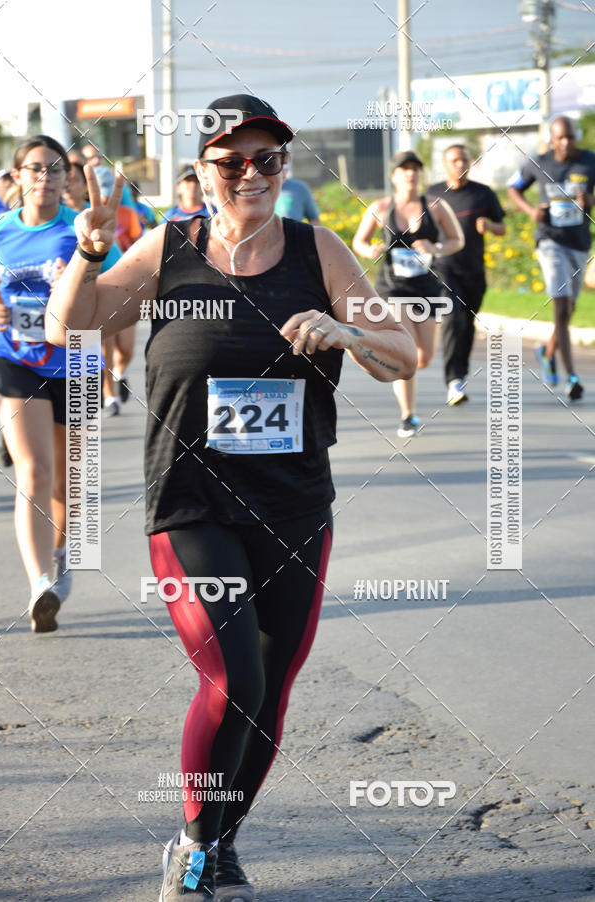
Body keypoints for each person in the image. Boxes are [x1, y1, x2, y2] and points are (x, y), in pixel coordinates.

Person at [47, 92, 417, 900]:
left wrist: (349, 331)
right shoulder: (169, 248)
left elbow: (403, 352)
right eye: (232, 160)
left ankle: (217, 837)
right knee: (233, 680)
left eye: (269, 159)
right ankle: (192, 845)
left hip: (292, 508)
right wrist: (87, 248)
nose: (252, 174)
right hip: (191, 505)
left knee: (273, 683)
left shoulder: (317, 252)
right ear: (203, 172)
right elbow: (67, 326)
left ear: (284, 167)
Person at [0, 134, 120, 632]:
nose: (44, 177)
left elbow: (116, 292)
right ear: (19, 176)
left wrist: (92, 268)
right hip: (16, 360)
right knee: (33, 473)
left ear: (68, 178)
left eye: (54, 169)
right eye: (34, 168)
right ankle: (39, 584)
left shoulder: (83, 228)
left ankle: (66, 551)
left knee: (70, 483)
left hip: (77, 363)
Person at [353, 150, 464, 437]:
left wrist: (436, 248)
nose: (411, 174)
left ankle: (393, 362)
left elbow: (456, 240)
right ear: (394, 176)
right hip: (392, 290)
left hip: (426, 290)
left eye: (415, 169)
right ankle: (408, 415)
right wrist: (371, 250)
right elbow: (359, 242)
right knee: (408, 355)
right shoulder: (380, 207)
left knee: (423, 357)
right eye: (404, 169)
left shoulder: (436, 206)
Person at [508, 116, 595, 400]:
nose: (567, 142)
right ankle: (572, 377)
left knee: (568, 310)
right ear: (552, 139)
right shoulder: (539, 162)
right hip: (550, 242)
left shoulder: (589, 161)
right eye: (561, 138)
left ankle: (546, 353)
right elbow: (513, 188)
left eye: (571, 137)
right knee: (560, 307)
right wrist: (531, 211)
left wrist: (590, 202)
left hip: (580, 243)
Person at [427, 144, 505, 405]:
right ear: (445, 165)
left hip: (473, 269)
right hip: (443, 267)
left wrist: (490, 226)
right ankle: (453, 381)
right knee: (452, 319)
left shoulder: (483, 194)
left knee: (468, 323)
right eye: (454, 161)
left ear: (470, 163)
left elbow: (502, 227)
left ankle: (460, 374)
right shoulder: (433, 194)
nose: (459, 165)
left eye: (463, 160)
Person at [93, 165, 142, 414]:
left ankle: (120, 374)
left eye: (106, 190)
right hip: (100, 284)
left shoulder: (127, 214)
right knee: (106, 343)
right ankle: (109, 394)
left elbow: (137, 246)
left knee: (127, 348)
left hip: (126, 282)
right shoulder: (86, 214)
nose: (103, 196)